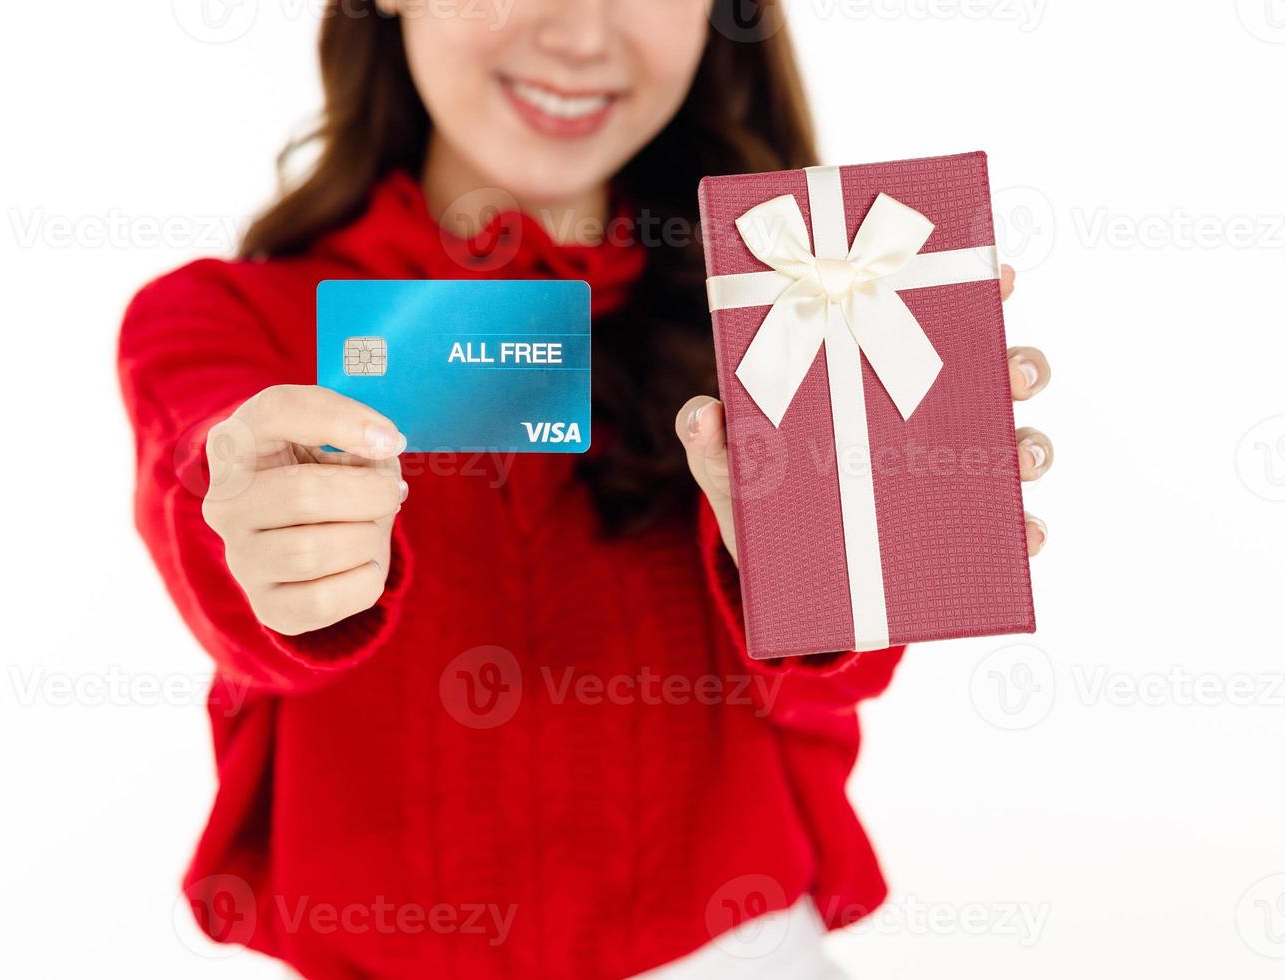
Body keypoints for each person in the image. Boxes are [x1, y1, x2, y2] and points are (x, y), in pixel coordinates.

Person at [118, 0, 1054, 975]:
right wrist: (264, 527)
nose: (580, 35)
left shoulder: (791, 305)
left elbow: (843, 678)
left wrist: (837, 564)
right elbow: (203, 491)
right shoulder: (223, 324)